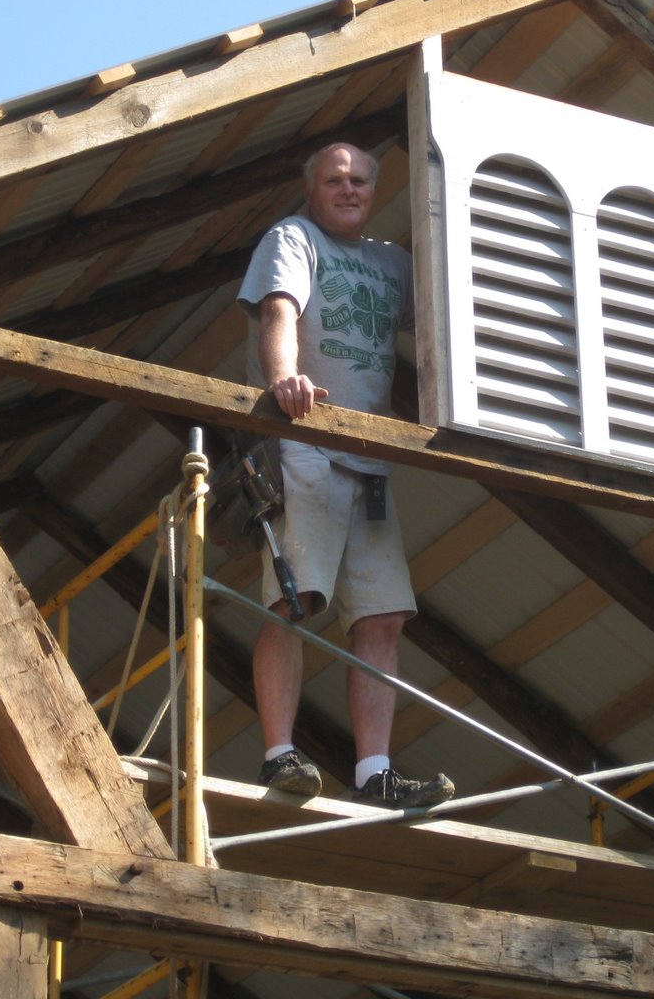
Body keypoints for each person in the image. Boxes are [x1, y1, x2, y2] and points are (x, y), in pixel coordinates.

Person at [235, 142, 455, 809]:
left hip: (373, 466)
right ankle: (280, 755)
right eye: (334, 179)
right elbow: (279, 313)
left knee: (383, 617)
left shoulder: (394, 263)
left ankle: (375, 773)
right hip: (309, 444)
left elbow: (449, 320)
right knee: (294, 600)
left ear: (375, 190)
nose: (349, 188)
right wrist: (283, 382)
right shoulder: (293, 238)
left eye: (360, 180)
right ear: (313, 190)